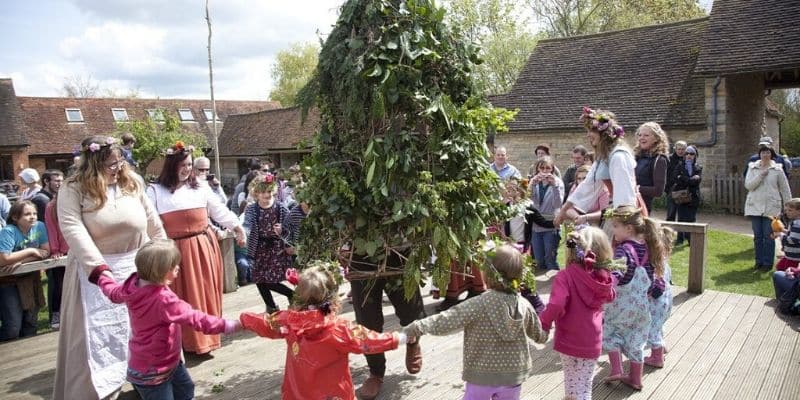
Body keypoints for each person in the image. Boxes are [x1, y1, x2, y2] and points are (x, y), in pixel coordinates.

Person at [53, 135, 166, 400]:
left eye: (119, 162)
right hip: (94, 273)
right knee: (93, 339)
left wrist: (164, 256)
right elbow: (72, 228)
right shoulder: (73, 188)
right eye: (109, 165)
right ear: (92, 164)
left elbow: (153, 223)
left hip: (137, 266)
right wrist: (99, 269)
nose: (117, 168)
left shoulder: (132, 182)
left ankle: (151, 382)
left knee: (144, 329)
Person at [95, 239, 240, 400]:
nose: (178, 268)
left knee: (185, 389)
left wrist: (102, 275)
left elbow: (112, 291)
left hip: (162, 362)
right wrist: (228, 325)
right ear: (161, 272)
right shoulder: (163, 300)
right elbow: (196, 318)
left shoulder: (131, 287)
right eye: (173, 266)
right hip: (154, 373)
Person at [402, 244, 548, 400]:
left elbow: (446, 320)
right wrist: (545, 334)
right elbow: (539, 335)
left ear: (487, 275)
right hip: (513, 376)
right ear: (519, 277)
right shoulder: (524, 305)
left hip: (481, 376)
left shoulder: (477, 305)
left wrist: (417, 327)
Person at [240, 266, 406, 400]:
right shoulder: (339, 329)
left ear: (298, 297)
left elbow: (264, 323)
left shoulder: (287, 321)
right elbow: (370, 340)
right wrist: (400, 338)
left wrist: (241, 321)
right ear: (333, 300)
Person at [147, 141, 246, 356]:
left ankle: (208, 339)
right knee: (180, 297)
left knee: (206, 292)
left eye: (189, 165)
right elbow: (151, 223)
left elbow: (218, 211)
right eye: (182, 165)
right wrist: (164, 249)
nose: (186, 169)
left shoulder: (200, 186)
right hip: (174, 251)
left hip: (203, 246)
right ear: (171, 165)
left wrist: (237, 227)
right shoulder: (155, 191)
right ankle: (184, 344)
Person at [539, 227, 616, 400]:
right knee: (584, 385)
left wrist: (544, 322)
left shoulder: (565, 276)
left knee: (572, 385)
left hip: (569, 339)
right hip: (591, 341)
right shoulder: (603, 277)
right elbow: (610, 296)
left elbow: (557, 304)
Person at [603, 205, 665, 391]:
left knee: (610, 333)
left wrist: (606, 286)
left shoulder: (624, 250)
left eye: (615, 226)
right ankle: (636, 379)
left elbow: (617, 272)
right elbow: (653, 277)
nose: (613, 230)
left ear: (628, 228)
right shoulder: (647, 249)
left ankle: (616, 369)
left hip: (620, 306)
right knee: (636, 340)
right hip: (641, 307)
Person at [555, 107, 641, 233]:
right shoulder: (604, 156)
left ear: (604, 133)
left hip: (625, 212)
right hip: (615, 210)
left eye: (591, 131)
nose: (588, 135)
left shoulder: (618, 156)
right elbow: (587, 185)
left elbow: (625, 194)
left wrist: (622, 223)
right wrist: (563, 211)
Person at [243, 173, 294, 313]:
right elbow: (246, 224)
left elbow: (291, 226)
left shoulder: (280, 207)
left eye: (269, 191)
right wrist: (243, 233)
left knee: (271, 280)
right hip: (258, 248)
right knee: (258, 278)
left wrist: (283, 229)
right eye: (263, 192)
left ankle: (291, 294)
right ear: (256, 193)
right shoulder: (252, 209)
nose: (267, 194)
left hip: (276, 248)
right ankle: (271, 306)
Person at [0, 200, 49, 341]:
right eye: (27, 214)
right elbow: (4, 259)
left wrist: (22, 261)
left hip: (31, 279)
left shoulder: (40, 226)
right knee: (12, 328)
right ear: (15, 217)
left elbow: (46, 251)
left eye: (34, 213)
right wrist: (32, 250)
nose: (32, 217)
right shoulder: (8, 231)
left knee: (31, 323)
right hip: (8, 281)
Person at [744, 144, 791, 271]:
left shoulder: (777, 169)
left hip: (771, 207)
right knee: (758, 236)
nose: (765, 155)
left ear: (772, 154)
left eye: (768, 152)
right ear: (759, 154)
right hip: (754, 206)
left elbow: (785, 189)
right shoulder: (752, 167)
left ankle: (767, 263)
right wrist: (760, 176)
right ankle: (758, 261)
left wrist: (789, 207)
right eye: (763, 152)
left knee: (769, 236)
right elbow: (748, 185)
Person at [31, 169, 64, 329]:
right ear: (46, 181)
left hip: (68, 248)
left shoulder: (56, 199)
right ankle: (55, 316)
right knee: (57, 284)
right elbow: (49, 228)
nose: (59, 183)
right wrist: (54, 248)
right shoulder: (43, 201)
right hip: (55, 248)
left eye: (61, 180)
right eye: (56, 180)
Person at [645, 226, 676, 369]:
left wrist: (646, 293)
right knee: (658, 325)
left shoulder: (655, 264)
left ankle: (657, 358)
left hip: (657, 302)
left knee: (651, 329)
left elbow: (657, 287)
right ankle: (662, 347)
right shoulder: (664, 262)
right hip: (667, 302)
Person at [529, 156, 564, 270]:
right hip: (536, 225)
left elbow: (558, 204)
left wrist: (554, 186)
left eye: (548, 168)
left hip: (551, 225)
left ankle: (554, 284)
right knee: (538, 260)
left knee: (550, 259)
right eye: (542, 168)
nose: (545, 171)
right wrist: (532, 185)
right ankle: (541, 287)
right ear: (538, 169)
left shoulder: (558, 182)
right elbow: (530, 202)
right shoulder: (534, 181)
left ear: (552, 169)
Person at [634, 122, 669, 213]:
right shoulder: (636, 157)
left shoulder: (659, 160)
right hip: (628, 203)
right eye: (640, 135)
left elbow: (658, 191)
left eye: (646, 135)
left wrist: (635, 189)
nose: (641, 138)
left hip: (642, 207)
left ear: (656, 139)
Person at [670, 145, 702, 245]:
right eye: (687, 153)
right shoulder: (679, 165)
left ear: (695, 155)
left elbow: (697, 181)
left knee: (691, 218)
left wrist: (683, 178)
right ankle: (680, 239)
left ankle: (690, 240)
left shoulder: (698, 167)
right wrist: (690, 179)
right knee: (681, 218)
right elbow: (675, 178)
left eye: (691, 154)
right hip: (681, 196)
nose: (689, 156)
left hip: (693, 196)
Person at [665, 141, 687, 222]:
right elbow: (665, 174)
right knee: (671, 214)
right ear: (675, 149)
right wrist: (667, 188)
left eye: (683, 149)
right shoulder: (669, 159)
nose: (681, 151)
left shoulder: (687, 159)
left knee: (683, 215)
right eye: (679, 149)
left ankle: (681, 234)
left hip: (683, 189)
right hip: (671, 188)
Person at [775, 198, 800, 272]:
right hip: (790, 255)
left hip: (794, 256)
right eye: (786, 210)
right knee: (779, 267)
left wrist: (780, 234)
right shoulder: (795, 222)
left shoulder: (797, 224)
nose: (787, 212)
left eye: (790, 210)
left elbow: (793, 240)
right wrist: (783, 230)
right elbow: (792, 234)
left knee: (787, 276)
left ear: (799, 211)